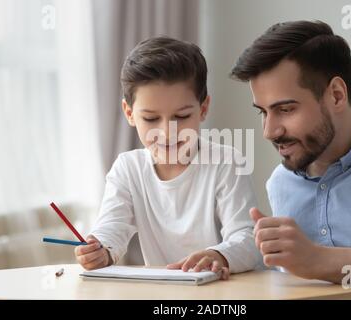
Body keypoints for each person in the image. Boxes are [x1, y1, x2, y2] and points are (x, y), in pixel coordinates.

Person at [231, 20, 351, 299]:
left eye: (285, 109)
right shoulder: (281, 183)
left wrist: (317, 259)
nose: (269, 131)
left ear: (336, 95)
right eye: (263, 112)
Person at [74, 36, 261, 279]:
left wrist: (220, 255)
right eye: (151, 119)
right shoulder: (127, 169)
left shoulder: (226, 163)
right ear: (130, 113)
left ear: (203, 109)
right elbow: (112, 228)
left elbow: (247, 239)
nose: (167, 132)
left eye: (182, 116)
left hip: (226, 291)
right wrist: (100, 250)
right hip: (165, 291)